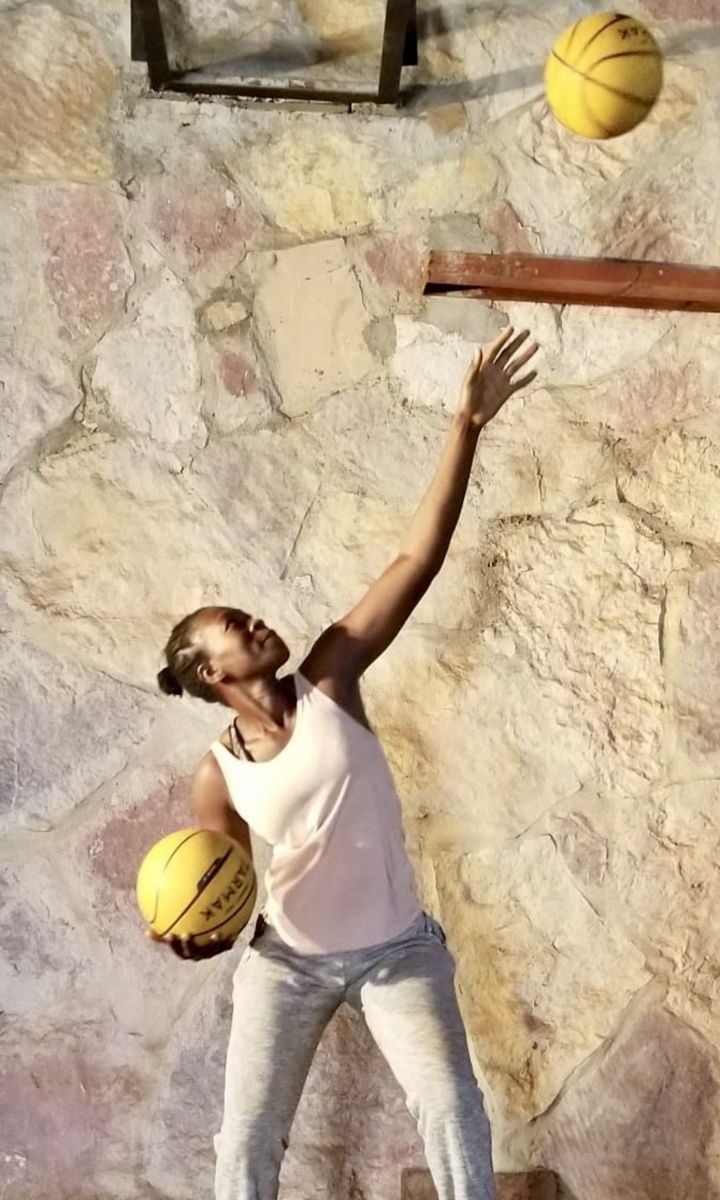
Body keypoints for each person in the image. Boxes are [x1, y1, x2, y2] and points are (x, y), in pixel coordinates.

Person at [149, 328, 538, 1200]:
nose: (259, 627)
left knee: (450, 1108)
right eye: (239, 631)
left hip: (397, 948)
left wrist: (465, 426)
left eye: (252, 617)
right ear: (215, 676)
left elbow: (416, 558)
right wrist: (191, 934)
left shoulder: (332, 674)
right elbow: (225, 892)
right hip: (287, 960)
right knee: (244, 1139)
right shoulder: (219, 775)